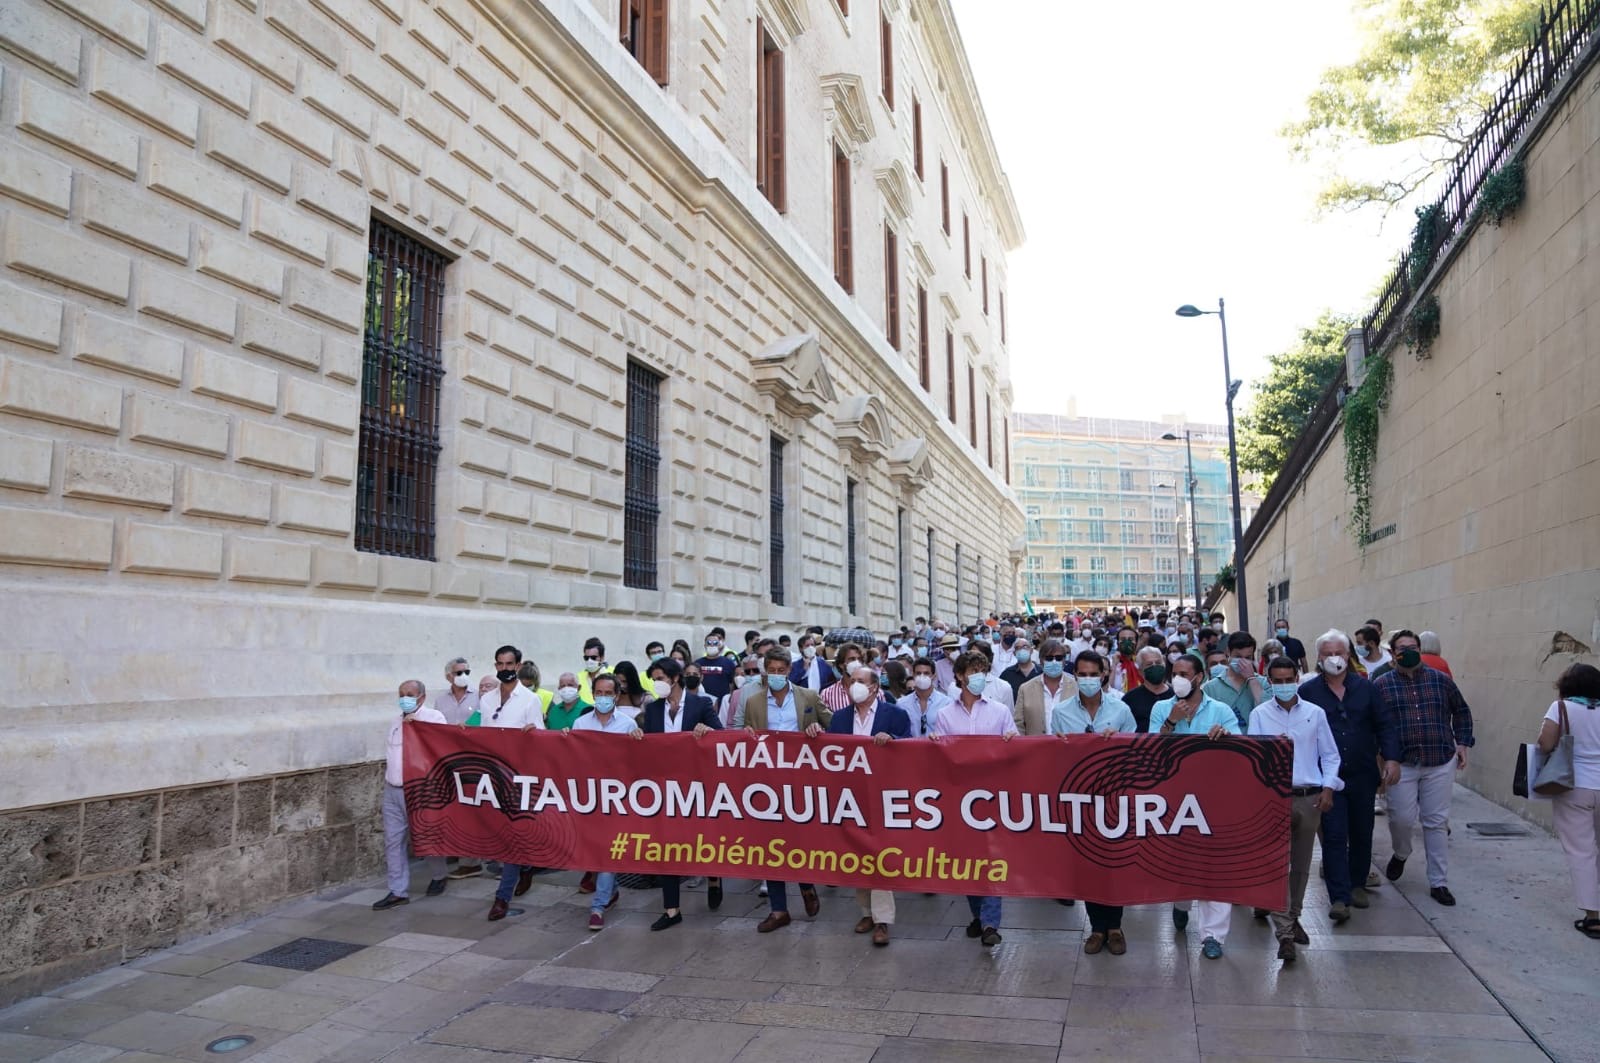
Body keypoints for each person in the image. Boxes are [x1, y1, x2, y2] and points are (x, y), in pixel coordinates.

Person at [1298, 630, 1400, 921]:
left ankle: (1357, 884)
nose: (1334, 659)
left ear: (1348, 655)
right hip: (1326, 778)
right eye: (1327, 654)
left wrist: (1392, 759)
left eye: (1339, 653)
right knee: (1333, 834)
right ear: (1319, 657)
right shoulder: (1308, 692)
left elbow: (1385, 725)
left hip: (1362, 773)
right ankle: (1339, 896)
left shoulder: (1367, 689)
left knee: (1361, 830)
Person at [1249, 656, 1341, 963]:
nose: (1285, 685)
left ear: (1297, 678)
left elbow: (1329, 755)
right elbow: (1253, 758)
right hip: (1274, 797)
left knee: (1301, 866)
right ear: (1269, 681)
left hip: (1310, 796)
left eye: (1290, 679)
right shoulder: (1260, 714)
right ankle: (1285, 933)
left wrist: (1328, 788)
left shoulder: (1315, 714)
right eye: (1279, 680)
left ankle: (1293, 915)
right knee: (1276, 864)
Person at [1149, 653, 1239, 957]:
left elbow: (1242, 751)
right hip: (1173, 800)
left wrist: (1226, 737)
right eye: (1175, 673)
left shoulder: (1221, 710)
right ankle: (1181, 902)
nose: (1178, 679)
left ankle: (1213, 936)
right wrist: (1172, 721)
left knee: (1216, 865)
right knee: (1180, 860)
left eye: (1185, 674)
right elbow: (1150, 751)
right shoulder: (1162, 708)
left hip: (1214, 798)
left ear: (1199, 677)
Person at [1375, 630, 1474, 906]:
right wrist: (1380, 760)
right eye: (1403, 647)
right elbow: (1375, 724)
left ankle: (1438, 882)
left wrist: (1463, 743)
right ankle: (1402, 852)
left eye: (1414, 646)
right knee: (1401, 820)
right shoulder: (1381, 685)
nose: (1409, 651)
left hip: (1440, 760)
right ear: (1393, 653)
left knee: (1436, 822)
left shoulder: (1441, 681)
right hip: (1402, 764)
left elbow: (1462, 712)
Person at [739, 647, 831, 930]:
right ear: (766, 671)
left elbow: (835, 730)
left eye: (782, 670)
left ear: (789, 671)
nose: (777, 675)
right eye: (773, 670)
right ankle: (778, 909)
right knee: (769, 844)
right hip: (766, 784)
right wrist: (745, 734)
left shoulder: (808, 697)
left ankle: (806, 885)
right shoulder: (754, 702)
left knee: (798, 839)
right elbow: (742, 733)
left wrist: (817, 730)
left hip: (801, 781)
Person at [1052, 650, 1137, 955]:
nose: (1088, 679)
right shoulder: (1061, 711)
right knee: (1088, 862)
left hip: (1114, 795)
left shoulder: (1120, 708)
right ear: (1075, 676)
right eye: (1082, 674)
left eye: (1093, 674)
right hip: (1080, 798)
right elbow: (1052, 755)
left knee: (1114, 861)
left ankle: (1115, 926)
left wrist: (1118, 741)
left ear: (1103, 675)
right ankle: (1096, 927)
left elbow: (1135, 752)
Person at [930, 651, 1017, 946]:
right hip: (959, 798)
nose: (978, 675)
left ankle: (991, 923)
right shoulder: (944, 715)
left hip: (992, 798)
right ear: (959, 676)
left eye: (983, 669)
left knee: (992, 857)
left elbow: (1016, 751)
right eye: (973, 670)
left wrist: (1010, 744)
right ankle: (978, 914)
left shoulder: (999, 711)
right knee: (969, 860)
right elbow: (939, 759)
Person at [828, 669, 911, 946]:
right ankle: (866, 912)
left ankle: (882, 920)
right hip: (851, 798)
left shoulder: (895, 715)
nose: (855, 686)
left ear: (875, 687)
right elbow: (829, 755)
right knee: (859, 856)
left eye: (861, 682)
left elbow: (911, 749)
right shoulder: (839, 718)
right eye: (852, 681)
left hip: (884, 796)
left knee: (880, 856)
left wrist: (893, 741)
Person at [641, 657, 724, 929]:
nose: (656, 684)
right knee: (667, 845)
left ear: (675, 678)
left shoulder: (700, 704)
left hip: (697, 785)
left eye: (660, 678)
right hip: (665, 787)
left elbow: (722, 738)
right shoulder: (653, 709)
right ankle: (672, 909)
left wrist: (708, 730)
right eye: (653, 679)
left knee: (704, 838)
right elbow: (649, 743)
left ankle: (714, 877)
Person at [566, 673, 643, 930]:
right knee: (595, 849)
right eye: (598, 692)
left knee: (608, 851)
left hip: (616, 798)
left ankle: (598, 906)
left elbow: (637, 763)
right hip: (589, 797)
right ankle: (611, 891)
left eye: (608, 693)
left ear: (617, 696)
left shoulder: (628, 724)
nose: (603, 697)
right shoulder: (580, 724)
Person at [372, 679, 448, 910]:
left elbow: (442, 748)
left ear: (422, 697)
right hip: (393, 789)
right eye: (402, 694)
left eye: (410, 694)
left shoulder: (434, 718)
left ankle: (438, 875)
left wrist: (419, 728)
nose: (405, 698)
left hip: (420, 790)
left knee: (426, 836)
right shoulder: (395, 722)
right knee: (393, 841)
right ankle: (398, 890)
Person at [1538, 663, 1600, 938]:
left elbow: (1546, 744)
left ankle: (1593, 916)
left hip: (1575, 786)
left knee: (1582, 851)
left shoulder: (1561, 708)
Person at [483, 645, 544, 920]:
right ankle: (525, 863)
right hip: (493, 776)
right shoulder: (486, 700)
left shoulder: (530, 700)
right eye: (500, 664)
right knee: (499, 835)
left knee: (512, 837)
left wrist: (533, 733)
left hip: (519, 778)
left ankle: (502, 897)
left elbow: (542, 740)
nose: (505, 668)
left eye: (509, 664)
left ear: (518, 666)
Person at [1205, 631, 1266, 732]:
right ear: (1228, 652)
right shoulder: (1210, 687)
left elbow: (1267, 713)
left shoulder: (1262, 683)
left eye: (1247, 658)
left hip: (1256, 743)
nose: (1243, 662)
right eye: (1238, 657)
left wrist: (1251, 679)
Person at [1014, 639, 1076, 736]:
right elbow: (1018, 724)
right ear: (1041, 660)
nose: (1054, 662)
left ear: (1064, 660)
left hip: (1069, 748)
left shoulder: (1077, 687)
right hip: (1035, 748)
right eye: (1049, 658)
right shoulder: (1025, 689)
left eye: (1059, 658)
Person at [1121, 646, 1171, 734]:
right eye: (1149, 664)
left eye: (1158, 662)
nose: (1155, 666)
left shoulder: (1176, 695)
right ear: (1140, 671)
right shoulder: (1130, 699)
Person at [899, 656, 954, 735]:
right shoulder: (902, 704)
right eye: (918, 673)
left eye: (926, 673)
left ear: (933, 676)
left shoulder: (946, 703)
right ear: (913, 675)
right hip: (911, 747)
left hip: (936, 747)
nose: (922, 676)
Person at [695, 629, 741, 701]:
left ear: (719, 645)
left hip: (722, 703)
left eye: (715, 643)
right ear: (705, 645)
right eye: (709, 643)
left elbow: (732, 684)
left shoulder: (728, 663)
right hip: (702, 703)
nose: (712, 645)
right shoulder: (697, 664)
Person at [821, 642, 867, 713]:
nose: (857, 663)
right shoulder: (827, 694)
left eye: (859, 659)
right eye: (852, 659)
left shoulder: (873, 691)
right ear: (841, 665)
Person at [438, 657, 478, 725]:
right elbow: (437, 724)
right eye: (459, 673)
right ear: (448, 677)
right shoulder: (440, 700)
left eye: (466, 672)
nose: (464, 675)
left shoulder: (478, 696)